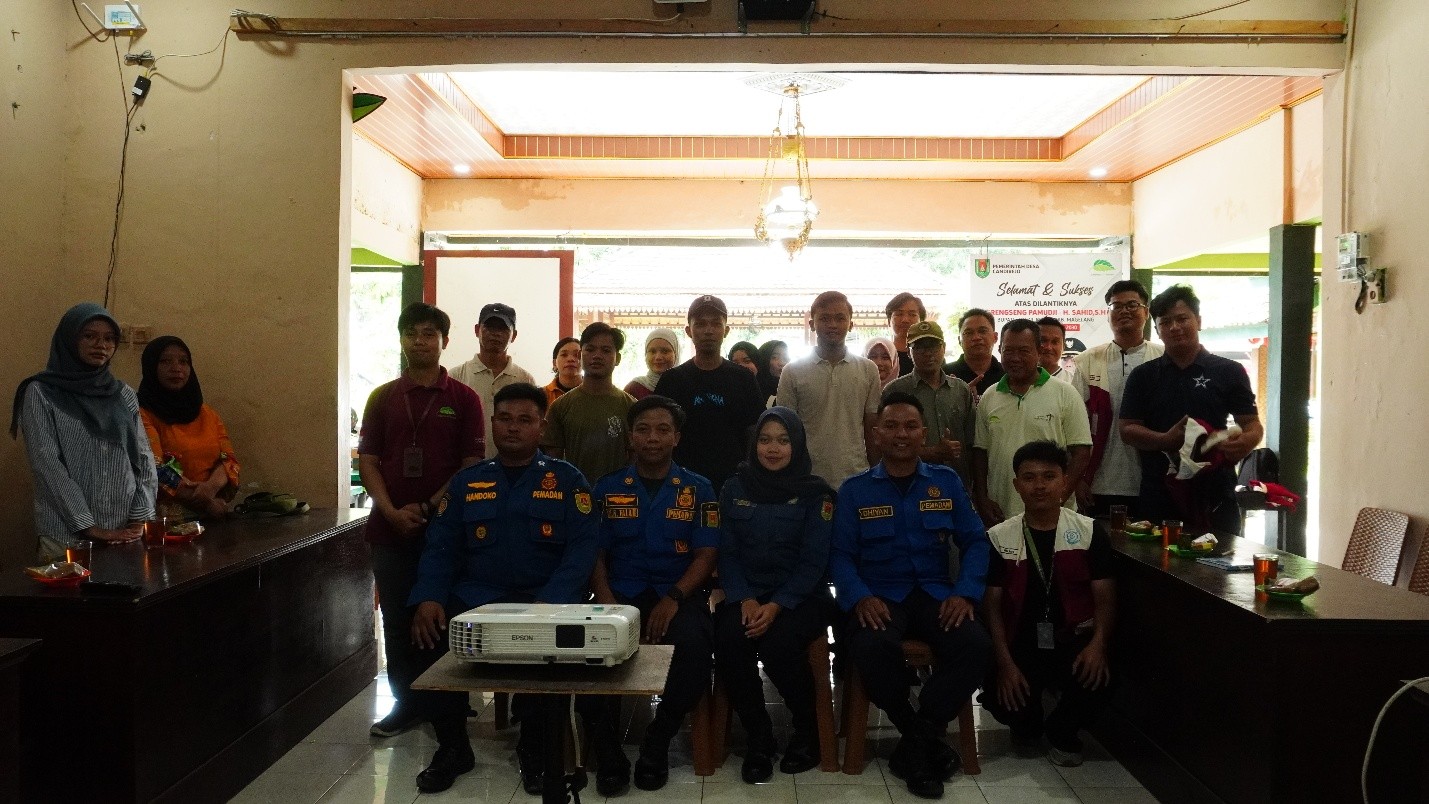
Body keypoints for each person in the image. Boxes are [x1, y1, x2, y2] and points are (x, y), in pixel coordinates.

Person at [407, 383, 598, 793]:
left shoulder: (567, 480)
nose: (513, 428)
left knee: (550, 644)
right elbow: (441, 546)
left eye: (525, 420)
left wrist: (552, 600)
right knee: (428, 633)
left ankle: (535, 747)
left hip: (543, 597)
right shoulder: (467, 482)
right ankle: (453, 746)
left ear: (541, 427)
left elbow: (583, 549)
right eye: (505, 419)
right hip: (479, 597)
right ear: (492, 423)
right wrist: (429, 596)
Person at [830, 393, 992, 800]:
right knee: (870, 645)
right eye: (891, 426)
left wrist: (966, 593)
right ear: (876, 434)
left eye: (910, 426)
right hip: (879, 595)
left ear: (924, 433)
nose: (900, 434)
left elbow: (975, 542)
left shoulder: (946, 481)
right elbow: (840, 555)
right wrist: (860, 597)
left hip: (935, 593)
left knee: (975, 644)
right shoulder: (854, 490)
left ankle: (916, 742)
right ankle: (920, 737)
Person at [356, 302, 485, 741]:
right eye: (411, 333)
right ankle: (407, 704)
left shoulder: (463, 398)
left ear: (445, 341)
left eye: (429, 333)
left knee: (445, 615)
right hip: (389, 528)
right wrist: (391, 510)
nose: (420, 341)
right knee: (396, 618)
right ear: (401, 339)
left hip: (446, 528)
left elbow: (470, 465)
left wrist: (429, 507)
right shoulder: (382, 397)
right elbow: (368, 460)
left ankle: (447, 701)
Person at [589, 395, 719, 792]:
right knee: (586, 652)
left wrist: (674, 598)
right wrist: (607, 604)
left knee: (695, 648)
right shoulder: (607, 487)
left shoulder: (699, 488)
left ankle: (657, 740)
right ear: (630, 436)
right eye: (643, 430)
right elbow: (594, 554)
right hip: (619, 594)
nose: (652, 438)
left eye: (663, 430)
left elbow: (706, 554)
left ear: (676, 437)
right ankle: (608, 754)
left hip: (677, 593)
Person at [716, 407, 834, 783]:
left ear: (796, 445)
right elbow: (726, 551)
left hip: (801, 597)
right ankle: (759, 736)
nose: (773, 448)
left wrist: (778, 604)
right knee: (729, 638)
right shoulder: (734, 488)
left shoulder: (816, 493)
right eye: (765, 439)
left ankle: (807, 729)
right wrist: (745, 597)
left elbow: (815, 560)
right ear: (754, 444)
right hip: (747, 593)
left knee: (778, 644)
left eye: (783, 440)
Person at [981, 441, 1115, 768]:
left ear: (1065, 481)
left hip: (1073, 639)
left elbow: (1105, 598)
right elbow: (992, 607)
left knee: (1103, 678)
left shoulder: (1089, 532)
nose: (1039, 486)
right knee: (1008, 702)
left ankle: (1062, 731)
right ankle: (1028, 724)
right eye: (1029, 478)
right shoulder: (999, 537)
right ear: (1017, 485)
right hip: (1021, 641)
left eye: (1049, 476)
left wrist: (1098, 645)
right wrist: (1005, 664)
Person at [12, 303, 156, 559]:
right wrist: (89, 527)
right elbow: (47, 465)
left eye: (109, 339)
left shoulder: (123, 394)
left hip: (123, 531)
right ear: (69, 339)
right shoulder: (41, 393)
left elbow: (143, 459)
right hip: (66, 535)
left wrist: (139, 518)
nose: (101, 345)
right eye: (89, 336)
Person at [1120, 284, 1263, 535]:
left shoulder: (1229, 371)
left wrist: (1246, 442)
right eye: (1165, 322)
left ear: (1199, 321)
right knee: (1156, 558)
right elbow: (1127, 429)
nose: (1175, 327)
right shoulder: (1143, 376)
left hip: (1215, 492)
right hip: (1160, 492)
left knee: (1220, 557)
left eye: (1182, 319)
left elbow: (1252, 424)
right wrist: (1165, 440)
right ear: (1157, 330)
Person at [973, 319, 1092, 526]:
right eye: (1008, 351)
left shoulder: (1065, 393)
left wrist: (1059, 497)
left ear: (1038, 352)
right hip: (1001, 514)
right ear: (999, 351)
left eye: (1024, 351)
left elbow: (1081, 452)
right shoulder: (990, 396)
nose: (1015, 358)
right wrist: (983, 499)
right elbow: (980, 452)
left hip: (1053, 516)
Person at [1071, 281, 1164, 517]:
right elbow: (1074, 426)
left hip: (1153, 481)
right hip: (1098, 483)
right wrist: (1077, 478)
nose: (1124, 311)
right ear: (1108, 314)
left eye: (1132, 305)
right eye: (1117, 306)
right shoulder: (1087, 360)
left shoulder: (1163, 358)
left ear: (1146, 312)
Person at [653, 295, 764, 491]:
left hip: (734, 484)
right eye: (701, 324)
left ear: (726, 330)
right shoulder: (672, 380)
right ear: (689, 330)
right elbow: (660, 432)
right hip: (681, 484)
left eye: (716, 324)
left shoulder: (743, 379)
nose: (708, 330)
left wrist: (750, 475)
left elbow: (754, 431)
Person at [777, 291, 882, 488]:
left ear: (851, 324)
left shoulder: (868, 370)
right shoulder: (792, 371)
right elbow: (786, 430)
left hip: (857, 475)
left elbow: (871, 427)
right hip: (807, 477)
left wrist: (877, 474)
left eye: (840, 318)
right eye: (824, 318)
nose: (832, 325)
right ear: (812, 324)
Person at [138, 336, 239, 521]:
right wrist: (207, 501)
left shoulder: (206, 413)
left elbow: (228, 459)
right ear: (151, 367)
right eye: (165, 361)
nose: (176, 368)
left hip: (211, 513)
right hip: (163, 521)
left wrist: (210, 488)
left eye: (183, 361)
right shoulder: (141, 413)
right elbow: (155, 469)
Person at [881, 321, 975, 484]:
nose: (928, 353)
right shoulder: (894, 391)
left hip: (955, 484)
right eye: (919, 347)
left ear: (944, 348)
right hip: (909, 485)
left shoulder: (961, 390)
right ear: (908, 352)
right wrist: (932, 452)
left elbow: (972, 443)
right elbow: (885, 446)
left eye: (934, 346)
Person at [541, 322, 635, 483]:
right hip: (572, 493)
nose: (597, 355)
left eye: (606, 350)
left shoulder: (631, 406)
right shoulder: (560, 406)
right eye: (590, 349)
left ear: (617, 358)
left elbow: (635, 459)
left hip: (617, 495)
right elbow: (553, 462)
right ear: (580, 355)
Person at [449, 302, 535, 457]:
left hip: (512, 465)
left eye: (502, 328)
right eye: (489, 327)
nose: (495, 334)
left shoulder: (525, 380)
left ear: (514, 335)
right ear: (477, 330)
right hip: (467, 465)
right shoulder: (455, 377)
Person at [945, 308, 1005, 401]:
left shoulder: (1007, 375)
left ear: (995, 337)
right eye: (968, 333)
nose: (976, 337)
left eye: (982, 331)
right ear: (959, 340)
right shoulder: (944, 375)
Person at [625, 328, 680, 401]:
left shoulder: (684, 386)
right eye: (652, 351)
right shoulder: (634, 388)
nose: (658, 357)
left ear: (676, 354)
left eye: (665, 351)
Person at [885, 292, 925, 376]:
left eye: (912, 314)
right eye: (899, 314)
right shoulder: (880, 356)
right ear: (889, 321)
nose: (905, 320)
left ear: (921, 322)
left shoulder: (930, 357)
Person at [543, 336, 582, 408]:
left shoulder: (595, 392)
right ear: (554, 363)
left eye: (577, 355)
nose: (570, 359)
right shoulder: (542, 395)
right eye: (564, 355)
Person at [1035, 317, 1071, 382]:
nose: (1048, 347)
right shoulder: (1018, 381)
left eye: (1055, 342)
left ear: (1063, 346)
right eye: (1043, 341)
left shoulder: (1074, 381)